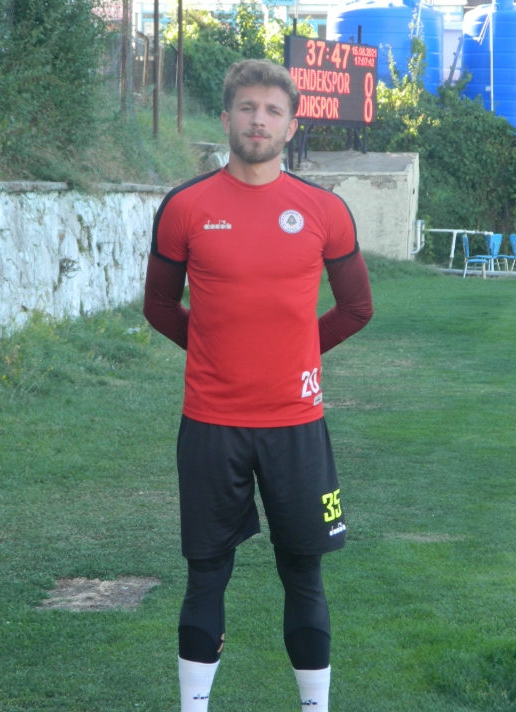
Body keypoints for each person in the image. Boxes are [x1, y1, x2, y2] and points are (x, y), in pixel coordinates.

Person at [143, 58, 373, 712]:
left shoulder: (324, 210)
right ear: (226, 118)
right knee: (206, 573)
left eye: (273, 110)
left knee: (303, 572)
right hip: (211, 423)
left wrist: (292, 356)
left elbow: (356, 308)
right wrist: (217, 353)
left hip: (296, 425)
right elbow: (159, 306)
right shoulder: (186, 207)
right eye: (247, 108)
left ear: (291, 125)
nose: (258, 120)